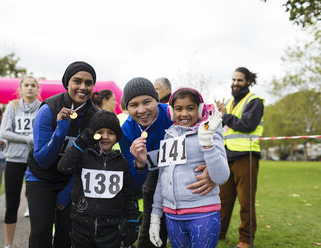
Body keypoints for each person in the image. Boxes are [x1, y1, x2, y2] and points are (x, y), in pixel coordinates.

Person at [119, 77, 216, 248]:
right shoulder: (126, 130)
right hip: (154, 177)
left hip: (187, 177)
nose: (141, 110)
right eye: (134, 105)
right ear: (127, 108)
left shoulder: (173, 114)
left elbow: (208, 126)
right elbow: (135, 182)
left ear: (157, 100)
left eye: (147, 102)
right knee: (150, 231)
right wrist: (139, 165)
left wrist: (211, 166)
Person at [26, 61, 99, 248]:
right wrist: (60, 130)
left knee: (66, 234)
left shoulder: (95, 116)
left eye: (88, 83)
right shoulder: (48, 109)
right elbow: (42, 159)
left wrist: (67, 193)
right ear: (67, 83)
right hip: (41, 177)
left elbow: (89, 161)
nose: (83, 87)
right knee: (41, 232)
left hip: (70, 180)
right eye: (77, 81)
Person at [149, 88, 230, 248]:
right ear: (172, 112)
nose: (184, 113)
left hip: (203, 213)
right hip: (173, 216)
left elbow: (221, 177)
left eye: (190, 108)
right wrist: (155, 216)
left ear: (200, 110)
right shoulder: (169, 135)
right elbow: (162, 178)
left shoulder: (210, 132)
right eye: (179, 109)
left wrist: (207, 142)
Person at [57, 110, 139, 248]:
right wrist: (80, 143)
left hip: (110, 231)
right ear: (93, 134)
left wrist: (132, 222)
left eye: (111, 133)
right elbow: (64, 167)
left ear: (117, 136)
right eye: (100, 132)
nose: (105, 137)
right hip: (81, 228)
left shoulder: (122, 163)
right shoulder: (84, 156)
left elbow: (127, 195)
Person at [215, 67, 264, 248]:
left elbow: (247, 125)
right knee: (222, 200)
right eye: (234, 80)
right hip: (227, 157)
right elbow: (223, 126)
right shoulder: (228, 103)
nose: (236, 83)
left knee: (246, 202)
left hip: (246, 156)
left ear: (248, 82)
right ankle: (218, 234)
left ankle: (246, 240)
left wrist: (225, 115)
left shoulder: (254, 101)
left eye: (240, 80)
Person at [0, 76, 41, 248]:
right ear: (21, 88)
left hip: (36, 160)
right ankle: (8, 244)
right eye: (26, 85)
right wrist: (27, 139)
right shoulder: (13, 106)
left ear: (37, 89)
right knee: (12, 203)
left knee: (37, 204)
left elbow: (46, 130)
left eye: (33, 85)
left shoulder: (42, 107)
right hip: (14, 159)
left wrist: (35, 139)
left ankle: (36, 243)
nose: (30, 88)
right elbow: (4, 132)